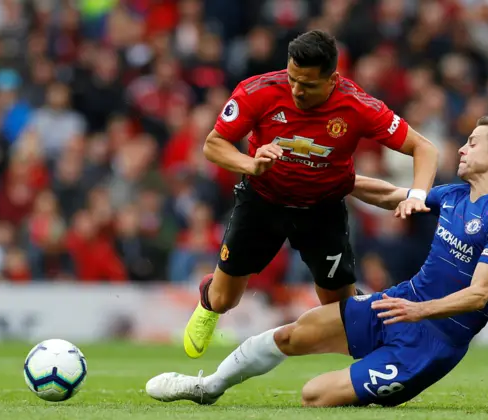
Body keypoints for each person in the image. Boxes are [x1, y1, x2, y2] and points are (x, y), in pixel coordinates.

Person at [146, 115, 488, 408]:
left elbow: (479, 294)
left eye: (472, 143)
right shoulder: (456, 195)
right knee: (291, 334)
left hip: (431, 341)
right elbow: (391, 195)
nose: (462, 150)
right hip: (397, 304)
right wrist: (331, 175)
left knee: (314, 395)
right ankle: (207, 387)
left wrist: (419, 311)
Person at [184, 29, 439, 359]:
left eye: (307, 84)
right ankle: (208, 294)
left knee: (339, 310)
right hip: (262, 202)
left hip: (322, 210)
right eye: (292, 79)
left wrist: (418, 194)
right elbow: (213, 145)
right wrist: (250, 164)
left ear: (332, 79)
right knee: (224, 300)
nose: (296, 90)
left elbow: (424, 148)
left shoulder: (357, 105)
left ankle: (380, 354)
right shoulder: (258, 91)